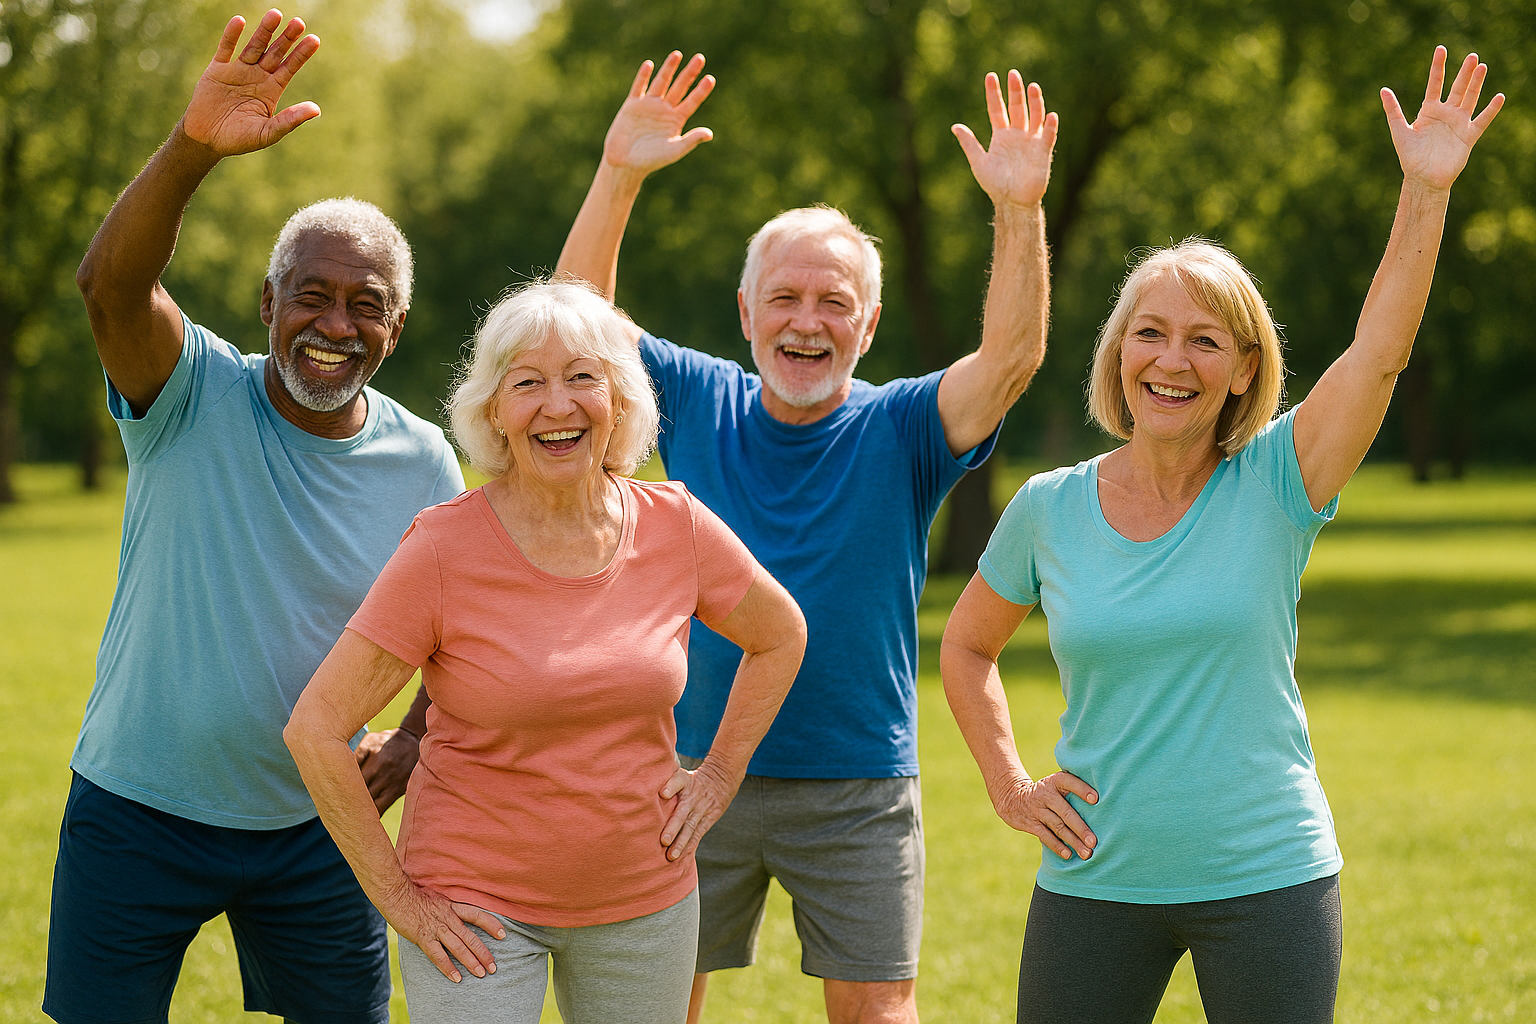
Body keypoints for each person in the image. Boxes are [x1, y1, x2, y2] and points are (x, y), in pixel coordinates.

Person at [940, 47, 1503, 1024]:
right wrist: (1010, 782)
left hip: (1268, 877)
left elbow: (1379, 355)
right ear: (1119, 355)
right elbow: (966, 643)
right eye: (1150, 332)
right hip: (1094, 880)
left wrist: (1425, 191)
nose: (1173, 358)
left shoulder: (1281, 479)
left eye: (1206, 340)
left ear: (1244, 369)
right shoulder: (1049, 507)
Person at [551, 54, 1058, 1024]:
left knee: (877, 1010)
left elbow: (1013, 360)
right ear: (747, 314)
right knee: (659, 1006)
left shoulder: (903, 426)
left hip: (859, 780)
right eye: (784, 298)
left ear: (866, 326)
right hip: (692, 772)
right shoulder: (697, 401)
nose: (807, 320)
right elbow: (576, 326)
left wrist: (1019, 208)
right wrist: (617, 172)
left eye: (834, 303)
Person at [44, 12, 463, 1024]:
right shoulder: (189, 391)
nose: (334, 324)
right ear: (267, 300)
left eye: (364, 304)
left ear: (395, 328)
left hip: (317, 823)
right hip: (136, 808)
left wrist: (412, 740)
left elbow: (472, 635)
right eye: (310, 295)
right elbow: (108, 287)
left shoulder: (424, 461)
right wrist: (193, 149)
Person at [283, 278, 807, 1024]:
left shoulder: (677, 525)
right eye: (527, 383)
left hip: (645, 900)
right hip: (474, 913)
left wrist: (720, 775)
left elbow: (781, 634)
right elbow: (316, 728)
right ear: (494, 411)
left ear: (619, 401)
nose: (557, 406)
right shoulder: (442, 547)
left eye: (582, 378)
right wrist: (397, 898)